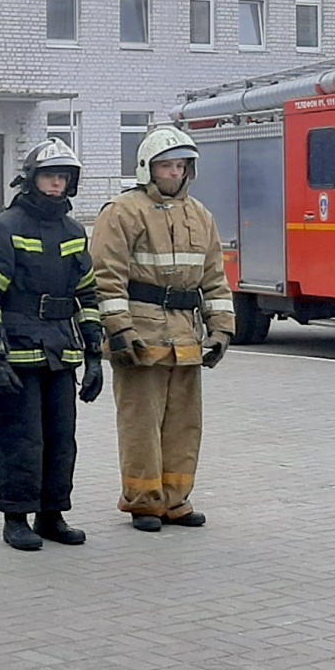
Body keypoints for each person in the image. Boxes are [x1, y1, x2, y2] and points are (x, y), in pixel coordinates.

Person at [89, 126, 234, 531]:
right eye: (166, 166)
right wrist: (118, 330)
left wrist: (221, 329)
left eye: (180, 166)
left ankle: (175, 499)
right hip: (141, 335)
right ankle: (143, 500)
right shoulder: (121, 212)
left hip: (187, 338)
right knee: (140, 423)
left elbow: (215, 280)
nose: (174, 173)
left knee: (184, 424)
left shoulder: (200, 216)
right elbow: (106, 277)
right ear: (147, 170)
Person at [0, 138, 103, 550]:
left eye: (63, 177)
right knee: (19, 437)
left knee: (60, 437)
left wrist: (96, 355)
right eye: (49, 176)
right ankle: (15, 516)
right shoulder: (1, 230)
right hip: (16, 355)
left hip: (61, 353)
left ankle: (52, 513)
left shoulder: (72, 231)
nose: (56, 184)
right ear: (30, 179)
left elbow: (88, 295)